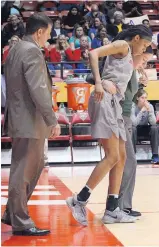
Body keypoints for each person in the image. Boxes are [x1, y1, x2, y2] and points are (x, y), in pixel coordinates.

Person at [66, 25, 152, 225]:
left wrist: (139, 73)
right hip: (104, 99)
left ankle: (112, 210)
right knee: (113, 156)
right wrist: (98, 81)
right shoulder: (122, 45)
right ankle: (79, 200)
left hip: (116, 104)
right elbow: (94, 52)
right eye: (145, 44)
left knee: (121, 157)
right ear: (137, 38)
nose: (145, 49)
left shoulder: (130, 56)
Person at [1, 13, 61, 236]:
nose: (49, 38)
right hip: (30, 119)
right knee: (26, 171)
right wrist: (52, 119)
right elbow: (39, 89)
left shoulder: (15, 49)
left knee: (21, 168)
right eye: (48, 33)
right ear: (39, 32)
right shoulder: (32, 51)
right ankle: (21, 221)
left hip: (18, 116)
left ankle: (12, 213)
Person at [118, 46, 154, 216]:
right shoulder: (125, 68)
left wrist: (139, 85)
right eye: (144, 60)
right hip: (119, 118)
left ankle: (124, 205)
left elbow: (130, 96)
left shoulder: (133, 72)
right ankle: (119, 206)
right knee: (128, 162)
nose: (144, 65)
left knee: (128, 163)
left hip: (124, 119)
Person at [131, 89, 159, 164]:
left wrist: (149, 111)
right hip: (135, 128)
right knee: (132, 129)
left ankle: (155, 155)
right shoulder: (132, 106)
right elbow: (134, 123)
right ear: (137, 98)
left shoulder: (149, 106)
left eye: (146, 98)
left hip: (145, 128)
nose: (144, 100)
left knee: (155, 128)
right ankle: (132, 155)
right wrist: (142, 111)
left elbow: (153, 123)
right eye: (142, 98)